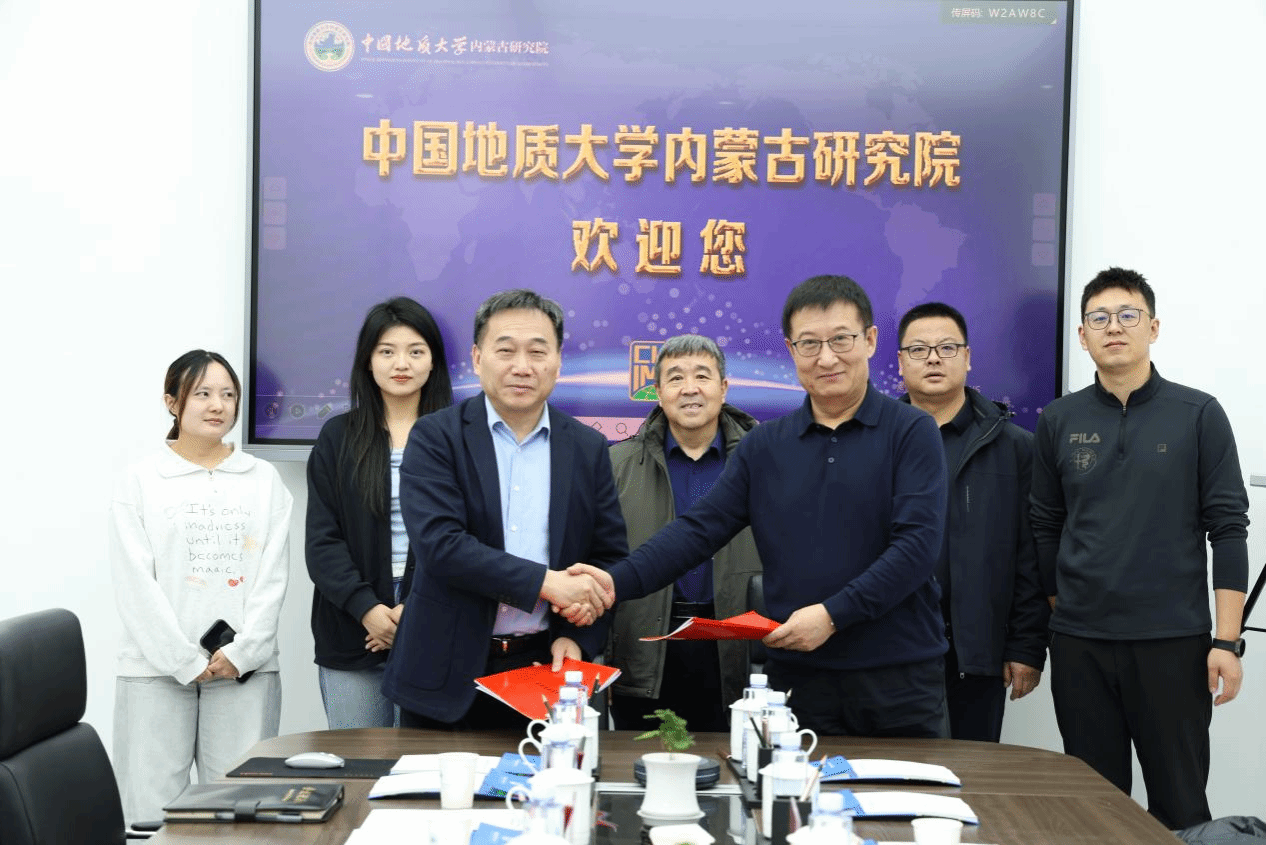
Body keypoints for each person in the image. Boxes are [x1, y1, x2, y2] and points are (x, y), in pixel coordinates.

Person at [590, 275, 949, 737]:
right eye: (809, 343)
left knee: (904, 787)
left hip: (898, 678)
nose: (826, 358)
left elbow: (916, 548)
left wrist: (832, 615)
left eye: (841, 339)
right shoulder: (764, 446)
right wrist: (611, 583)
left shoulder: (913, 432)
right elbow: (697, 531)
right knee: (796, 788)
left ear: (870, 340)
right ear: (791, 350)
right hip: (798, 679)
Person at [1030, 267, 1249, 829]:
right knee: (1095, 811)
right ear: (1083, 336)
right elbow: (1045, 525)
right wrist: (1063, 607)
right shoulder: (1059, 419)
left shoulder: (1198, 414)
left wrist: (1226, 641)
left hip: (1172, 644)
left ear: (1153, 327)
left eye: (1128, 315)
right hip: (1081, 646)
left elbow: (1228, 528)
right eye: (1099, 318)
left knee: (1180, 806)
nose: (1114, 327)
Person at [382, 289, 628, 729]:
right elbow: (442, 546)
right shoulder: (436, 437)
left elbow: (607, 556)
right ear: (478, 359)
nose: (522, 366)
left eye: (538, 352)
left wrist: (578, 636)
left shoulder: (587, 447)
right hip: (444, 673)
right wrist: (547, 584)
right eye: (506, 350)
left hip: (545, 669)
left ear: (558, 362)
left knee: (549, 777)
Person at [110, 351, 292, 824]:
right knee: (150, 813)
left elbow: (273, 577)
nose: (218, 405)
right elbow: (135, 584)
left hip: (244, 672)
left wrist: (244, 652)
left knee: (243, 809)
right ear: (172, 402)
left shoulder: (264, 480)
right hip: (154, 670)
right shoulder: (141, 479)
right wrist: (181, 660)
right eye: (203, 394)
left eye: (228, 394)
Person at [897, 302, 1048, 742]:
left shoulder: (1015, 447)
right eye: (919, 349)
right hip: (890, 649)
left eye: (947, 348)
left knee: (971, 773)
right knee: (891, 771)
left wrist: (1026, 646)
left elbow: (1031, 555)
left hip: (976, 649)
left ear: (967, 358)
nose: (933, 359)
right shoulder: (876, 442)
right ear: (901, 362)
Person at [305, 297, 453, 729]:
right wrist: (367, 609)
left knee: (423, 763)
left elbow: (469, 537)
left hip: (436, 620)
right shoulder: (338, 436)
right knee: (359, 762)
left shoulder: (458, 439)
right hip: (351, 623)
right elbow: (322, 540)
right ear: (368, 361)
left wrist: (416, 608)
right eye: (387, 351)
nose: (401, 363)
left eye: (415, 351)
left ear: (433, 362)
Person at [606, 334, 762, 732]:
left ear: (723, 388)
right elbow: (599, 557)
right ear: (658, 393)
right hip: (645, 648)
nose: (689, 388)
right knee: (641, 761)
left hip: (734, 648)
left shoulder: (763, 463)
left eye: (702, 376)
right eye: (675, 378)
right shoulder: (616, 465)